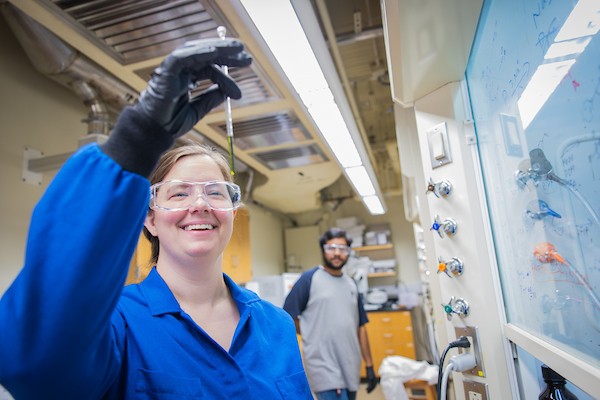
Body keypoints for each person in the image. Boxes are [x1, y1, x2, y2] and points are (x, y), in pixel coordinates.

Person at [0, 38, 312, 399]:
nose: (200, 204)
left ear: (231, 211)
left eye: (215, 191)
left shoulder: (277, 325)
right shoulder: (116, 324)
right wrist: (141, 135)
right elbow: (32, 365)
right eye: (179, 193)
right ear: (148, 219)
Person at [283, 227, 378, 400]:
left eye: (342, 249)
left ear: (348, 252)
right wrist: (311, 332)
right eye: (331, 248)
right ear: (323, 250)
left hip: (350, 363)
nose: (337, 253)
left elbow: (361, 327)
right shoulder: (309, 279)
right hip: (322, 364)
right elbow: (287, 316)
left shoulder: (352, 285)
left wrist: (369, 366)